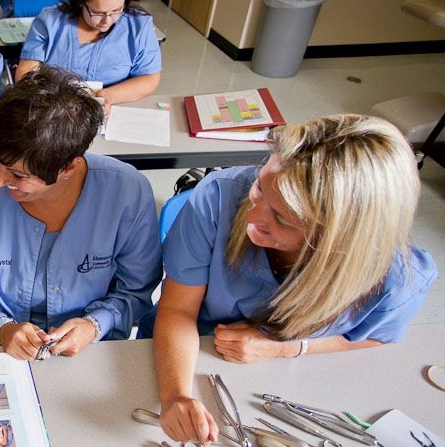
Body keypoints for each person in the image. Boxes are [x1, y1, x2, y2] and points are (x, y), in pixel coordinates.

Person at [146, 115, 438, 445]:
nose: (252, 218)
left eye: (282, 219)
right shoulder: (218, 198)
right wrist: (176, 397)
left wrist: (288, 348)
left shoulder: (399, 278)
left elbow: (376, 335)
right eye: (258, 187)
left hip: (296, 383)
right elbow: (177, 310)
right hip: (190, 357)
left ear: (339, 239)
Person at [0, 66, 161, 360]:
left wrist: (94, 323)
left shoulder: (127, 193)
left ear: (69, 167)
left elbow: (136, 291)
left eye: (17, 175)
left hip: (82, 352)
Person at [16, 0, 160, 116]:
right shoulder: (50, 21)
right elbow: (27, 70)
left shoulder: (139, 26)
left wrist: (107, 96)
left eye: (116, 11)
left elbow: (149, 79)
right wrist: (46, 103)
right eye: (97, 13)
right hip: (53, 109)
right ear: (80, 1)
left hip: (112, 109)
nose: (107, 21)